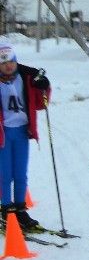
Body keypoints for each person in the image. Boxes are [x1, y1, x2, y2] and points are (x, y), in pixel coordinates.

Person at [0, 42, 51, 232]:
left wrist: (43, 87)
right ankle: (6, 209)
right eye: (3, 63)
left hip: (22, 131)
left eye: (11, 62)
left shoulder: (25, 78)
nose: (8, 66)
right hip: (3, 134)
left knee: (21, 173)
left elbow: (41, 104)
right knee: (5, 174)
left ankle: (20, 209)